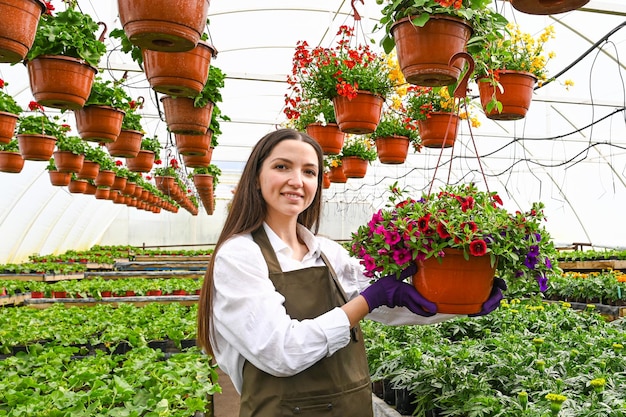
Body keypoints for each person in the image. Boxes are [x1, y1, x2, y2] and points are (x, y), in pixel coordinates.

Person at [197, 128, 504, 417]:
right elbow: (281, 352)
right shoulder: (239, 255)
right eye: (282, 167)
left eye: (309, 172)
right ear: (255, 178)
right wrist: (368, 301)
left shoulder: (328, 253)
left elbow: (391, 307)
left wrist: (461, 304)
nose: (297, 180)